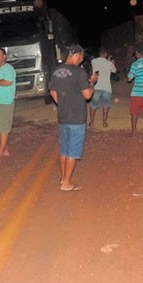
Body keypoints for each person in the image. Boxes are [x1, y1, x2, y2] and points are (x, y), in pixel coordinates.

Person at [49, 44, 96, 192]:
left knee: (64, 149)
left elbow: (53, 92)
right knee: (73, 152)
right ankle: (67, 183)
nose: (81, 60)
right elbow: (88, 95)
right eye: (81, 57)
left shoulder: (56, 71)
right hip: (76, 116)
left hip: (63, 115)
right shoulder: (79, 72)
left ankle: (63, 178)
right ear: (76, 55)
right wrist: (92, 82)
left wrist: (63, 103)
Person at [88, 48, 117, 128]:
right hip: (106, 87)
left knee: (93, 105)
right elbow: (114, 71)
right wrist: (112, 62)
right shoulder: (109, 63)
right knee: (106, 105)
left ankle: (91, 122)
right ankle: (104, 122)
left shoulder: (93, 61)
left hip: (96, 86)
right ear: (106, 54)